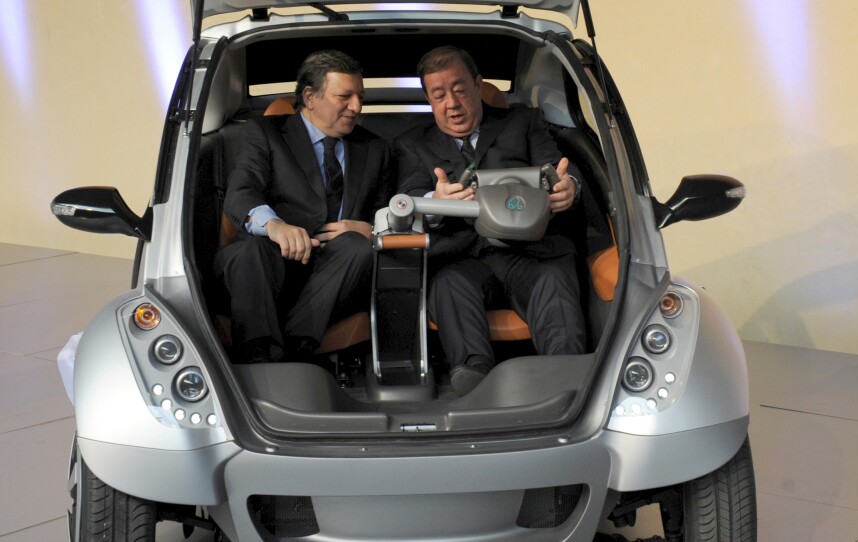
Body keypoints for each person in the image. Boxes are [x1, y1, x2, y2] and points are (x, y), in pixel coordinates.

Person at [394, 46, 587, 395]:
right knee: (448, 283)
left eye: (460, 89)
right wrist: (435, 202)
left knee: (555, 277)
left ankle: (565, 383)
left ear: (478, 84)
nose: (451, 103)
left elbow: (557, 166)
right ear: (429, 100)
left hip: (531, 253)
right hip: (461, 257)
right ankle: (473, 376)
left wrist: (570, 186)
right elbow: (410, 194)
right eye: (438, 95)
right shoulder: (411, 145)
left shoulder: (522, 121)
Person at [216, 50, 394, 364]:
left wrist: (372, 228)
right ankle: (259, 356)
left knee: (358, 247)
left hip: (338, 271)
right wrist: (275, 226)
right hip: (272, 262)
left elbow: (388, 209)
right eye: (345, 96)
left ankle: (289, 353)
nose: (356, 106)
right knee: (249, 252)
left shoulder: (375, 148)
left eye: (360, 96)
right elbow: (241, 192)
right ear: (310, 97)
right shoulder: (265, 133)